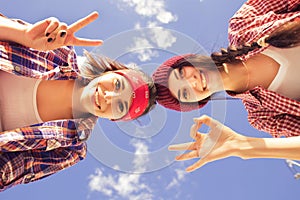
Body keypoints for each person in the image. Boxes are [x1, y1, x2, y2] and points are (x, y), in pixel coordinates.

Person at [0, 12, 156, 191]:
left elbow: (7, 173)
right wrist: (23, 34)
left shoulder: (70, 150)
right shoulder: (58, 52)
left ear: (115, 118)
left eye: (120, 106)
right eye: (118, 85)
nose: (109, 97)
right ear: (110, 72)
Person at [152, 0, 300, 171]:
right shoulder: (262, 116)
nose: (192, 82)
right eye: (185, 93)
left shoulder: (242, 25)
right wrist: (239, 146)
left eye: (182, 73)